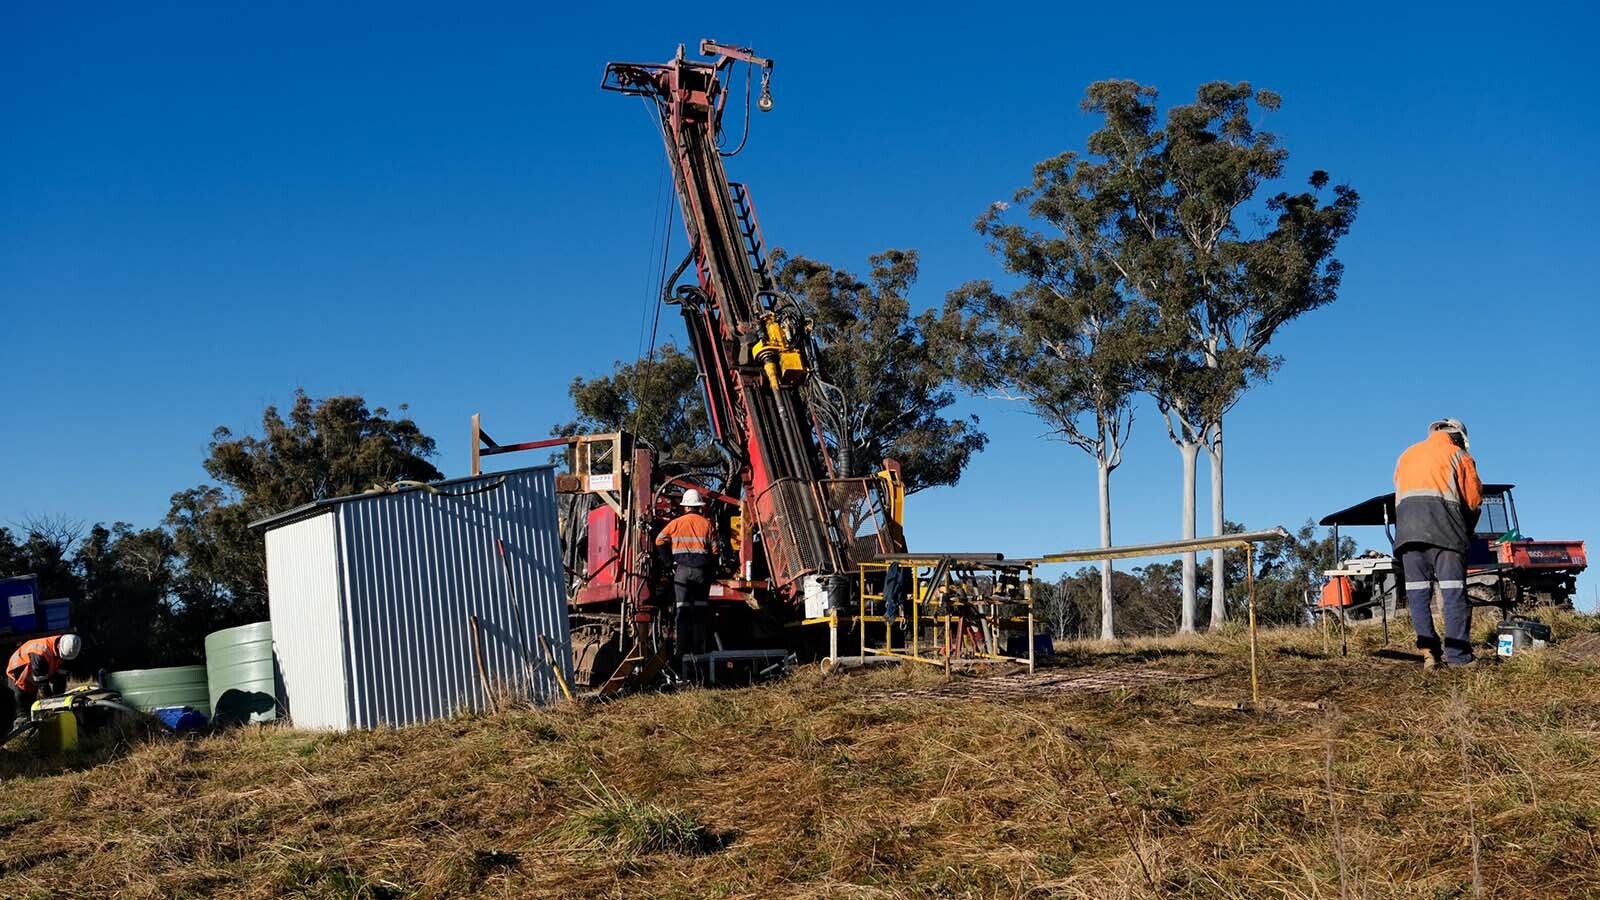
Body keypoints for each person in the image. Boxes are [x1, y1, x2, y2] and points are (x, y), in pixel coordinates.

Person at [1393, 418, 1483, 669]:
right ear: (1458, 437)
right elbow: (1474, 500)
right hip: (1446, 533)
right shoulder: (1458, 455)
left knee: (1418, 595)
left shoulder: (1406, 455)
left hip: (1408, 536)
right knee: (1453, 593)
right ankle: (1458, 658)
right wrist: (1467, 530)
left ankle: (1429, 654)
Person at [654, 489, 720, 662]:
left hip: (681, 573)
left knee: (682, 611)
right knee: (699, 613)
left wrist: (669, 563)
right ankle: (699, 653)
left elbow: (659, 540)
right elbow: (715, 551)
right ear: (699, 507)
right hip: (701, 573)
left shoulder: (676, 523)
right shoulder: (707, 524)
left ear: (685, 507)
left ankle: (680, 653)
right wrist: (711, 571)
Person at [7, 633, 82, 727]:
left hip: (35, 674)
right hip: (18, 671)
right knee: (20, 708)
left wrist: (59, 700)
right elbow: (42, 685)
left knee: (30, 709)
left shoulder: (65, 649)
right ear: (59, 646)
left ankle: (30, 724)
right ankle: (18, 730)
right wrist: (51, 703)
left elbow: (60, 680)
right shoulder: (40, 652)